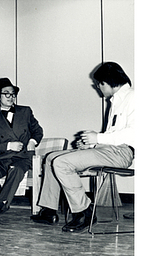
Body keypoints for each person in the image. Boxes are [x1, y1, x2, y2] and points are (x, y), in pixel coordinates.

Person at [31, 62, 134, 233]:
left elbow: (134, 134)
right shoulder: (116, 102)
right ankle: (49, 210)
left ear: (106, 82)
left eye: (98, 84)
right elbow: (113, 136)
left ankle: (84, 211)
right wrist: (91, 143)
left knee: (61, 163)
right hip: (109, 150)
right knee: (50, 158)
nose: (97, 87)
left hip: (122, 154)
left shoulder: (134, 97)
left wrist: (98, 138)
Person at [0, 78, 43, 225]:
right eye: (6, 93)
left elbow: (37, 131)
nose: (10, 96)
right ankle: (2, 201)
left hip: (22, 157)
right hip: (2, 157)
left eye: (13, 94)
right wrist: (8, 146)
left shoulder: (25, 111)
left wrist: (32, 142)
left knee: (16, 170)